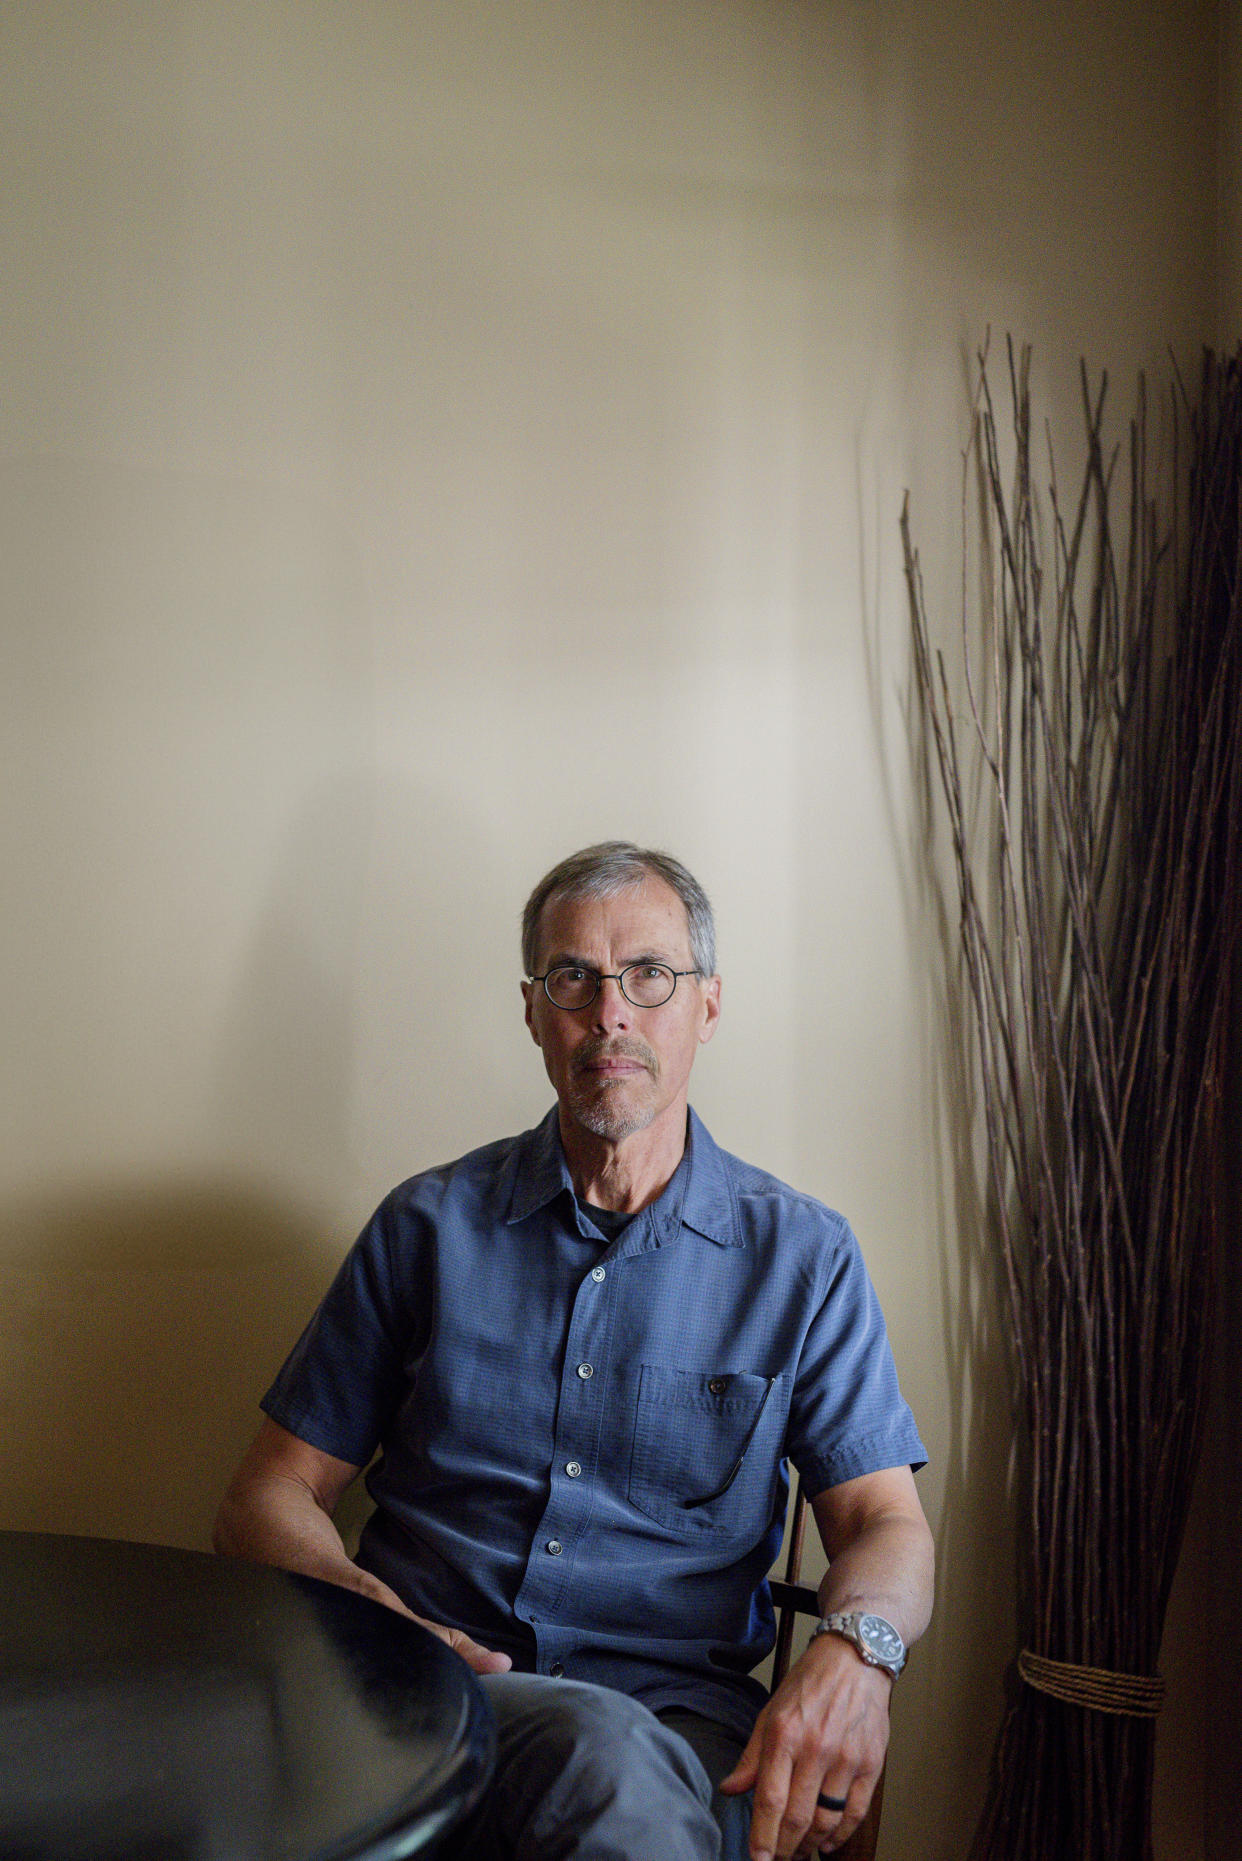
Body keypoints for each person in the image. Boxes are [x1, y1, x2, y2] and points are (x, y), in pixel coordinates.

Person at [214, 841, 933, 1861]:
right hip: (428, 1700)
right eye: (573, 979)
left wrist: (859, 1656)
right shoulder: (427, 1226)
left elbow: (885, 1525)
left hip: (676, 1727)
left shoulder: (804, 1257)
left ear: (708, 1006)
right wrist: (375, 1618)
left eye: (649, 975)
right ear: (533, 1011)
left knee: (608, 1758)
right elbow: (264, 1499)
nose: (611, 1013)